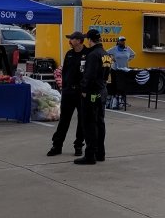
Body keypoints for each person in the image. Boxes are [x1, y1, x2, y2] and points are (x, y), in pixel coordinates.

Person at [49, 32, 86, 157]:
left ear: (79, 41)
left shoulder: (88, 54)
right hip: (68, 92)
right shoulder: (69, 54)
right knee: (64, 120)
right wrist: (64, 88)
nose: (70, 41)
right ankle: (57, 145)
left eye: (72, 39)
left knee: (82, 121)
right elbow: (64, 73)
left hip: (82, 93)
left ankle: (79, 145)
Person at [75, 29, 107, 165]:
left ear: (90, 40)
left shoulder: (93, 54)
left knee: (89, 123)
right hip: (102, 91)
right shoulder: (105, 54)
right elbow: (106, 75)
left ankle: (90, 155)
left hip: (92, 93)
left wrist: (84, 89)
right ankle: (100, 152)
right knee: (100, 122)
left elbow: (89, 75)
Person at [109, 36, 135, 110]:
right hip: (115, 69)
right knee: (115, 85)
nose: (122, 42)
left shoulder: (128, 49)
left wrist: (128, 60)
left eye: (123, 40)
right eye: (121, 40)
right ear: (118, 41)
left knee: (123, 86)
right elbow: (106, 53)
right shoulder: (114, 49)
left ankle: (122, 100)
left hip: (124, 69)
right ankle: (115, 101)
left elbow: (133, 55)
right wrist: (111, 58)